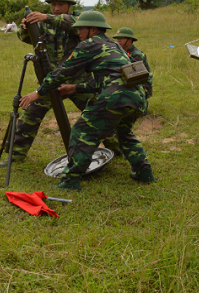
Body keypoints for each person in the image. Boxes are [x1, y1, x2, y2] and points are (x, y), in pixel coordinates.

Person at [19, 11, 154, 191]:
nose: (79, 31)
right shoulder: (114, 45)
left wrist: (38, 92)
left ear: (93, 29)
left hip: (114, 98)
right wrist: (75, 88)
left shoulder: (89, 44)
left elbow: (63, 71)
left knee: (82, 132)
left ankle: (70, 181)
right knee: (124, 133)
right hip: (137, 97)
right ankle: (144, 172)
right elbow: (106, 78)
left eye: (82, 28)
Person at [0, 0, 93, 166]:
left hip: (78, 82)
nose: (56, 8)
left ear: (70, 5)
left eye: (61, 4)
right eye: (53, 5)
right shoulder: (43, 23)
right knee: (30, 115)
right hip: (51, 82)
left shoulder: (80, 19)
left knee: (98, 113)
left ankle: (117, 149)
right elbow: (24, 37)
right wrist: (27, 27)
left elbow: (72, 24)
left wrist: (46, 17)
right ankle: (15, 155)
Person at [102, 27, 153, 155]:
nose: (118, 40)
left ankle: (141, 104)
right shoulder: (119, 52)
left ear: (130, 40)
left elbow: (138, 78)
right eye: (117, 38)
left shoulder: (136, 55)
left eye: (122, 38)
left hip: (139, 87)